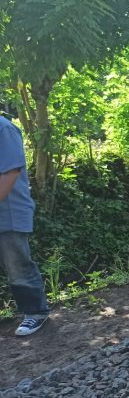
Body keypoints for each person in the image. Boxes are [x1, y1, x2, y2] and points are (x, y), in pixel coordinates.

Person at [0, 113, 50, 336]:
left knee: (17, 265)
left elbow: (11, 172)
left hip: (9, 212)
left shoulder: (4, 129)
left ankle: (36, 313)